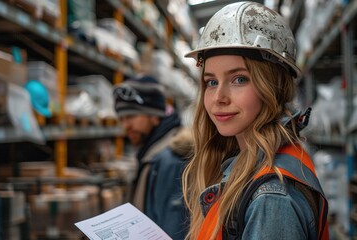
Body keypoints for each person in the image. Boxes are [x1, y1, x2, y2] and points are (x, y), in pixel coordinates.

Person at [182, 2, 329, 240]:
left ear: (273, 86)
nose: (219, 97)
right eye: (211, 82)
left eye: (239, 79)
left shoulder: (272, 197)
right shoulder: (247, 166)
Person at [113, 75, 188, 239]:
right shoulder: (151, 152)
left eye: (131, 116)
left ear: (154, 116)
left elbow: (172, 231)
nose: (126, 126)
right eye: (122, 118)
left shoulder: (170, 160)